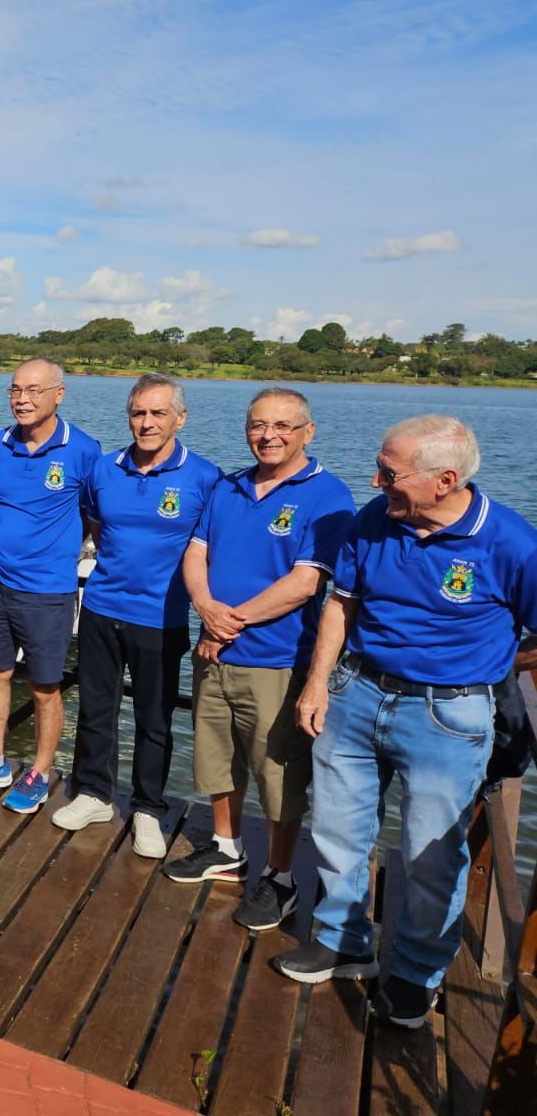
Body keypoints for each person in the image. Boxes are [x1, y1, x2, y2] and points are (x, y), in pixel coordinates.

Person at [271, 415, 537, 1030]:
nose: (375, 481)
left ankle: (416, 975)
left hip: (446, 715)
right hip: (356, 692)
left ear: (445, 479)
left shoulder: (511, 543)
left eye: (390, 473)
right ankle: (343, 941)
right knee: (337, 828)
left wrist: (494, 659)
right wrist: (317, 683)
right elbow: (341, 603)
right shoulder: (375, 518)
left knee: (429, 853)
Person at [165, 388, 355, 930]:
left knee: (279, 774)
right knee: (218, 759)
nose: (268, 436)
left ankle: (281, 876)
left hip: (276, 662)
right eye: (257, 425)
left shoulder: (328, 495)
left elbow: (305, 583)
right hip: (213, 651)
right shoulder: (229, 485)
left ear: (307, 432)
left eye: (282, 426)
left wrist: (229, 623)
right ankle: (227, 848)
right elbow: (196, 551)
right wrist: (205, 607)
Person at [55, 374, 220, 856]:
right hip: (101, 608)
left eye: (158, 413)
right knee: (95, 709)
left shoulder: (204, 477)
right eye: (138, 413)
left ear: (180, 418)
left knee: (154, 719)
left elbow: (213, 551)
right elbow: (95, 525)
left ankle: (148, 808)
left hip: (162, 618)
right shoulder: (104, 469)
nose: (147, 423)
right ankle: (94, 794)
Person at [0, 358, 100, 813]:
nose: (23, 399)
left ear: (59, 394)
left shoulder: (83, 450)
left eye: (34, 390)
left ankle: (38, 771)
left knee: (44, 688)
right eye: (16, 390)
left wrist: (62, 550)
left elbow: (95, 515)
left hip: (48, 591)